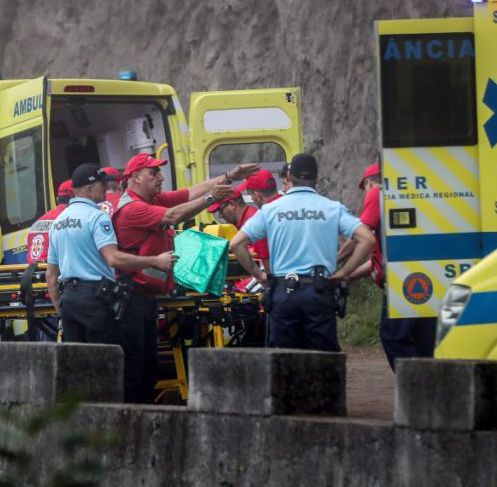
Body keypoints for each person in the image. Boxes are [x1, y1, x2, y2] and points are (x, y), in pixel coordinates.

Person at [112, 153, 258, 403]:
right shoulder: (133, 208)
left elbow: (190, 193)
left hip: (146, 298)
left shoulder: (152, 198)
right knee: (135, 369)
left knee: (148, 366)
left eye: (159, 172)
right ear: (135, 178)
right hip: (132, 300)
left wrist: (231, 176)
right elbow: (173, 216)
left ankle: (143, 418)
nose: (160, 177)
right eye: (153, 173)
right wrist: (212, 198)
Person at [231, 153, 375, 352]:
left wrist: (260, 276)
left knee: (284, 362)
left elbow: (237, 244)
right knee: (323, 361)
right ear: (316, 177)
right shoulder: (332, 208)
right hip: (319, 291)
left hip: (283, 293)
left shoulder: (271, 210)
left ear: (289, 176)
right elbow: (367, 239)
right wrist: (344, 273)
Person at [45, 163, 176, 347]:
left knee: (78, 365)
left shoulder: (58, 222)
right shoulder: (97, 216)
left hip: (69, 301)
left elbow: (51, 276)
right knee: (106, 364)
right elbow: (113, 258)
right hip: (94, 298)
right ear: (90, 189)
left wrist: (62, 309)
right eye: (102, 184)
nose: (107, 187)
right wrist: (155, 261)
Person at [345, 162, 436, 370]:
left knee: (393, 336)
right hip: (425, 275)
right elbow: (379, 259)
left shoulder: (377, 193)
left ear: (368, 183)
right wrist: (349, 276)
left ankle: (414, 385)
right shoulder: (401, 196)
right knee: (424, 341)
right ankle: (429, 389)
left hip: (403, 280)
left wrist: (337, 265)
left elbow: (360, 237)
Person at [26, 180, 75, 263]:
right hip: (53, 271)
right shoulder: (70, 220)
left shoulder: (36, 223)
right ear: (73, 199)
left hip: (32, 272)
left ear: (57, 199)